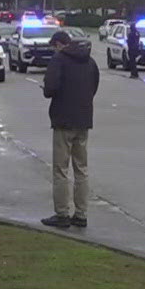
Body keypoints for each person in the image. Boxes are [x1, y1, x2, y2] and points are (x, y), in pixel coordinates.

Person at [41, 29, 98, 228]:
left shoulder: (59, 60)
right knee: (81, 169)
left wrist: (48, 89)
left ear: (58, 44)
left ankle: (62, 213)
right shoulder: (90, 61)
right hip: (83, 119)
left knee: (61, 169)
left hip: (63, 120)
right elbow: (94, 87)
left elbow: (50, 89)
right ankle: (81, 214)